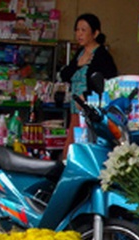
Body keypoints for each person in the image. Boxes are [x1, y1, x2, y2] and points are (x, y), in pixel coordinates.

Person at [58, 14, 118, 150]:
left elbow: (108, 83)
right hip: (75, 109)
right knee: (72, 144)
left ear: (95, 33)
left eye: (83, 30)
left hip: (91, 110)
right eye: (77, 30)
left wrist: (87, 95)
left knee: (83, 145)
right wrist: (77, 65)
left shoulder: (102, 56)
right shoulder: (80, 53)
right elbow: (64, 75)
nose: (79, 34)